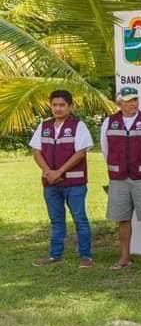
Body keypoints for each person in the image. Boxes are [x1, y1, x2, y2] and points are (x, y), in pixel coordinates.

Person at [101, 86, 141, 271]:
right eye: (128, 100)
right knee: (122, 219)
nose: (133, 103)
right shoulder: (109, 122)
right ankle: (125, 257)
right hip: (119, 179)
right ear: (119, 102)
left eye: (135, 99)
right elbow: (106, 149)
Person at [29, 89, 94, 267]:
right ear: (50, 106)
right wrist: (48, 171)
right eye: (55, 105)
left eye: (62, 105)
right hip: (50, 183)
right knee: (56, 221)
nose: (58, 109)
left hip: (74, 183)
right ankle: (55, 255)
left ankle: (85, 256)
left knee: (80, 219)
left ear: (70, 106)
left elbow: (80, 153)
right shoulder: (44, 126)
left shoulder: (78, 126)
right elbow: (36, 151)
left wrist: (59, 172)